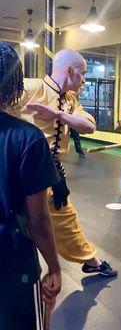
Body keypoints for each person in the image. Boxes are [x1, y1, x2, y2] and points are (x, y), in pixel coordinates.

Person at [11, 49, 117, 277]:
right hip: (24, 170)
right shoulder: (30, 88)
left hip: (51, 173)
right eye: (82, 73)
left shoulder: (70, 101)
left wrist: (57, 114)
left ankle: (90, 261)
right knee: (33, 221)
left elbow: (89, 126)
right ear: (70, 71)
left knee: (63, 219)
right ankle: (88, 262)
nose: (84, 79)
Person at [0, 42, 61, 329]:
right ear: (14, 83)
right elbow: (37, 220)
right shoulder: (26, 138)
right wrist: (54, 267)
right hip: (11, 262)